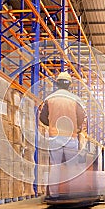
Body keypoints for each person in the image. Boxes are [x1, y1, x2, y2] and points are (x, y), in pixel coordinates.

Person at [39, 71, 86, 200]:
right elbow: (81, 117)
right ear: (69, 85)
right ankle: (72, 194)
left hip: (55, 137)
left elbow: (42, 118)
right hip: (71, 137)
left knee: (55, 166)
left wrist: (53, 123)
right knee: (72, 167)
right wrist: (76, 128)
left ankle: (54, 195)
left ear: (57, 84)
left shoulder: (50, 99)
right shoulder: (75, 99)